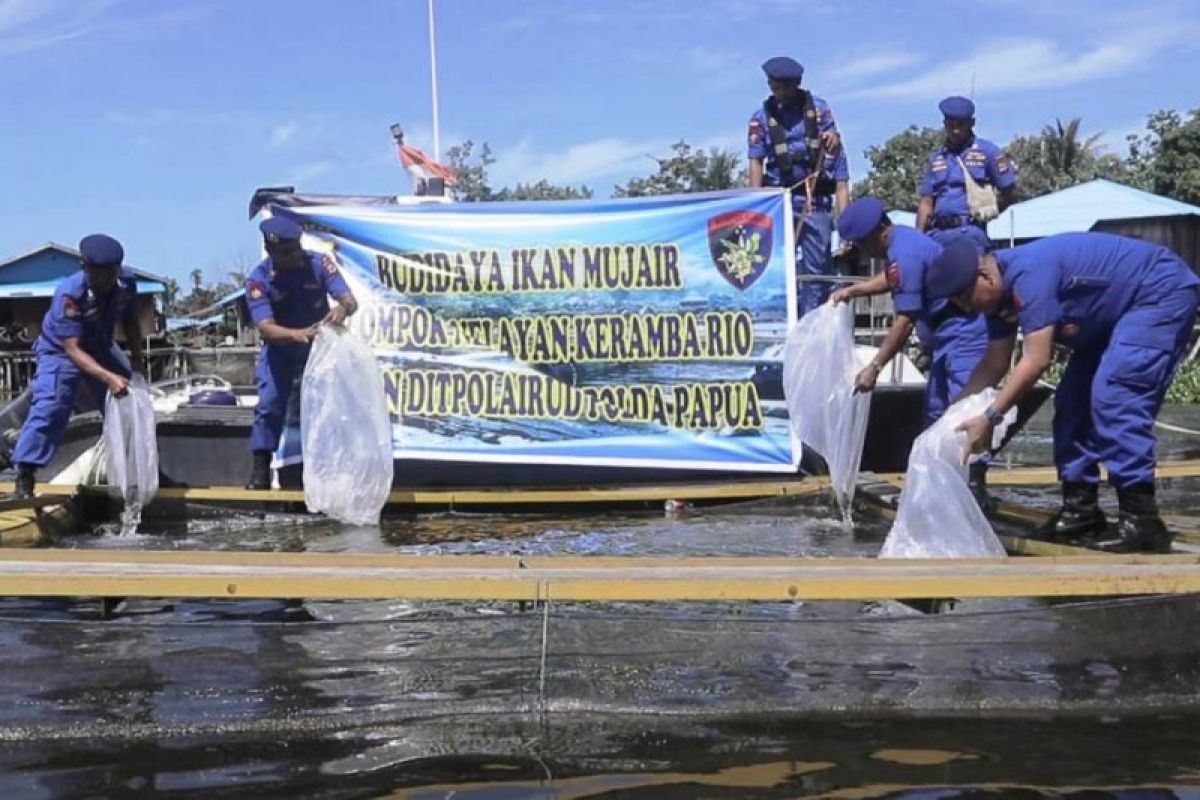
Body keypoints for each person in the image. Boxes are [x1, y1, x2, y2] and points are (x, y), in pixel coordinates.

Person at [924, 233, 1200, 553]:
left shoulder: (1029, 276)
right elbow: (994, 363)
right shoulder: (997, 299)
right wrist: (950, 416)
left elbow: (1037, 360)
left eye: (964, 299)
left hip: (1157, 292)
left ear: (985, 276)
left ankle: (1141, 521)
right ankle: (1081, 512)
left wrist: (990, 417)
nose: (966, 309)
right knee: (1071, 402)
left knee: (1115, 394)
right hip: (1110, 316)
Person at [830, 198, 994, 512]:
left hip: (963, 333)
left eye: (864, 244)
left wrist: (875, 367)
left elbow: (904, 321)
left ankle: (976, 492)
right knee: (935, 415)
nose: (864, 252)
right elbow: (895, 280)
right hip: (945, 338)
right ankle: (945, 486)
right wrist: (855, 290)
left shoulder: (902, 252)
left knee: (967, 408)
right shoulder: (902, 241)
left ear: (879, 231)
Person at [11, 235, 142, 498]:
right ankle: (25, 475)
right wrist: (108, 378)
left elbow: (130, 322)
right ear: (86, 268)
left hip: (100, 347)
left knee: (129, 402)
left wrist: (136, 362)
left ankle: (135, 473)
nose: (105, 279)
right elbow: (72, 349)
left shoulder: (126, 284)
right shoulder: (69, 295)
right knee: (52, 405)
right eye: (99, 274)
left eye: (110, 273)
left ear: (118, 269)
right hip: (60, 351)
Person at [244, 216, 358, 490]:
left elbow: (349, 300)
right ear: (271, 251)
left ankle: (328, 472)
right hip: (281, 352)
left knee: (326, 409)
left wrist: (341, 310)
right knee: (269, 406)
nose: (296, 255)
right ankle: (261, 469)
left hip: (319, 352)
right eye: (288, 251)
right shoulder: (258, 280)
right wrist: (298, 335)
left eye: (297, 247)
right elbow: (266, 329)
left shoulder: (319, 264)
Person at [748, 55, 849, 316]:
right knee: (777, 268)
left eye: (783, 86)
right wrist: (756, 210)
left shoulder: (819, 109)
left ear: (796, 84)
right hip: (779, 201)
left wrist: (832, 140)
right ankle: (782, 322)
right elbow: (756, 162)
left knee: (817, 271)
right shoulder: (761, 117)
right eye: (773, 85)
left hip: (815, 201)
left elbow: (837, 158)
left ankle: (812, 323)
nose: (777, 91)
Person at [916, 96, 1016, 254]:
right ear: (944, 124)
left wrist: (990, 209)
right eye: (950, 125)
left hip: (970, 233)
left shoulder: (987, 152)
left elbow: (1009, 190)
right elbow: (926, 202)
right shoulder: (936, 158)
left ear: (972, 123)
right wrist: (918, 239)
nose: (955, 130)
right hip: (937, 236)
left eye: (960, 125)